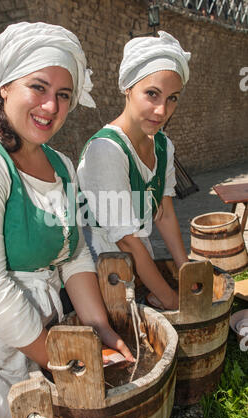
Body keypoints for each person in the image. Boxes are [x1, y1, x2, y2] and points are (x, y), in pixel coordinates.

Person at [0, 22, 134, 418]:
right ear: (5, 87)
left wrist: (99, 328)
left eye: (63, 95)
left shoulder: (62, 166)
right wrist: (65, 359)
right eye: (38, 87)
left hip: (40, 345)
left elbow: (74, 254)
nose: (51, 106)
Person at [77, 31, 191, 311]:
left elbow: (163, 213)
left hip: (136, 259)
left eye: (172, 98)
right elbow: (125, 241)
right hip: (99, 270)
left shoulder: (162, 145)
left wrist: (186, 272)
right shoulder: (106, 149)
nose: (162, 110)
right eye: (152, 94)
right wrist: (172, 299)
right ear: (128, 88)